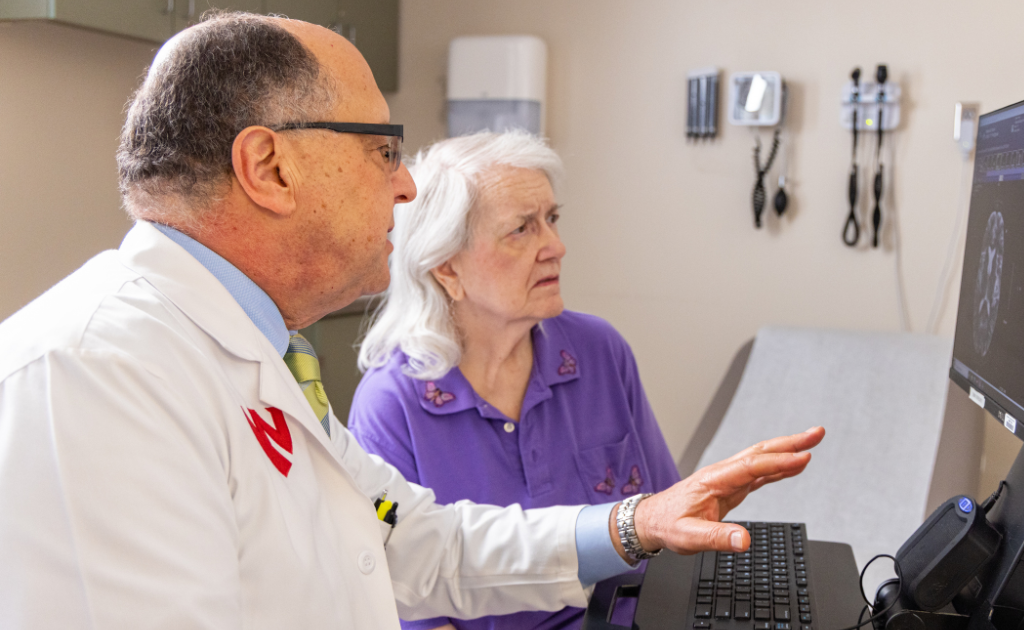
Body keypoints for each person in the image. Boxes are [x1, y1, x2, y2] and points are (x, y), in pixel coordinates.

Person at [0, 11, 825, 630]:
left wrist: (634, 523)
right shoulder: (95, 376)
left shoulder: (269, 364)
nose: (403, 189)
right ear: (269, 167)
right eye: (382, 151)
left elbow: (409, 538)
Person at [349, 131, 681, 630]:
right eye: (521, 230)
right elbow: (401, 602)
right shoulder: (391, 405)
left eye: (551, 219)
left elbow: (665, 518)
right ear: (447, 268)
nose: (556, 246)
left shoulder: (598, 350)